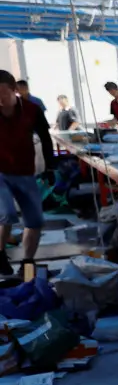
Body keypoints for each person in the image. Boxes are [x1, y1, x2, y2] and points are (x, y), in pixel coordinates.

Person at [0, 70, 53, 276]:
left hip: (25, 172)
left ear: (15, 91)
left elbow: (46, 138)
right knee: (7, 214)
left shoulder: (32, 110)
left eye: (3, 94)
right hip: (0, 173)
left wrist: (50, 167)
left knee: (35, 221)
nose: (0, 100)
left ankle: (28, 265)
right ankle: (0, 254)